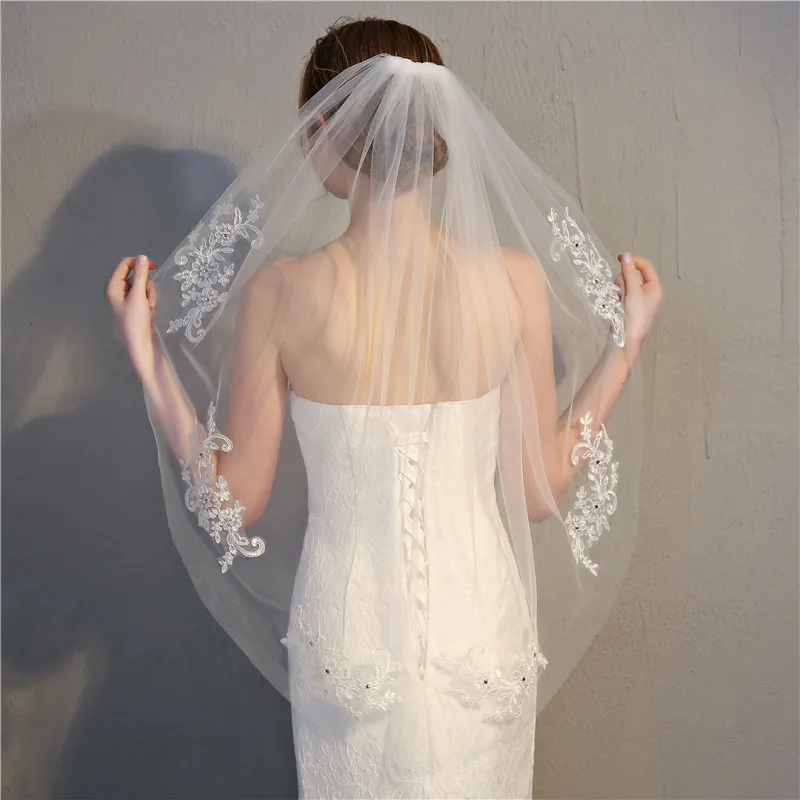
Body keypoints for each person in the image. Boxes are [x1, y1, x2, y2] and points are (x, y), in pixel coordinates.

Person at [105, 17, 662, 799]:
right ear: (437, 130)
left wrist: (148, 359)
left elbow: (237, 498)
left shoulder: (282, 294)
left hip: (350, 642)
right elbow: (536, 490)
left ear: (322, 130)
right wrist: (624, 349)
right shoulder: (512, 283)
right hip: (482, 638)